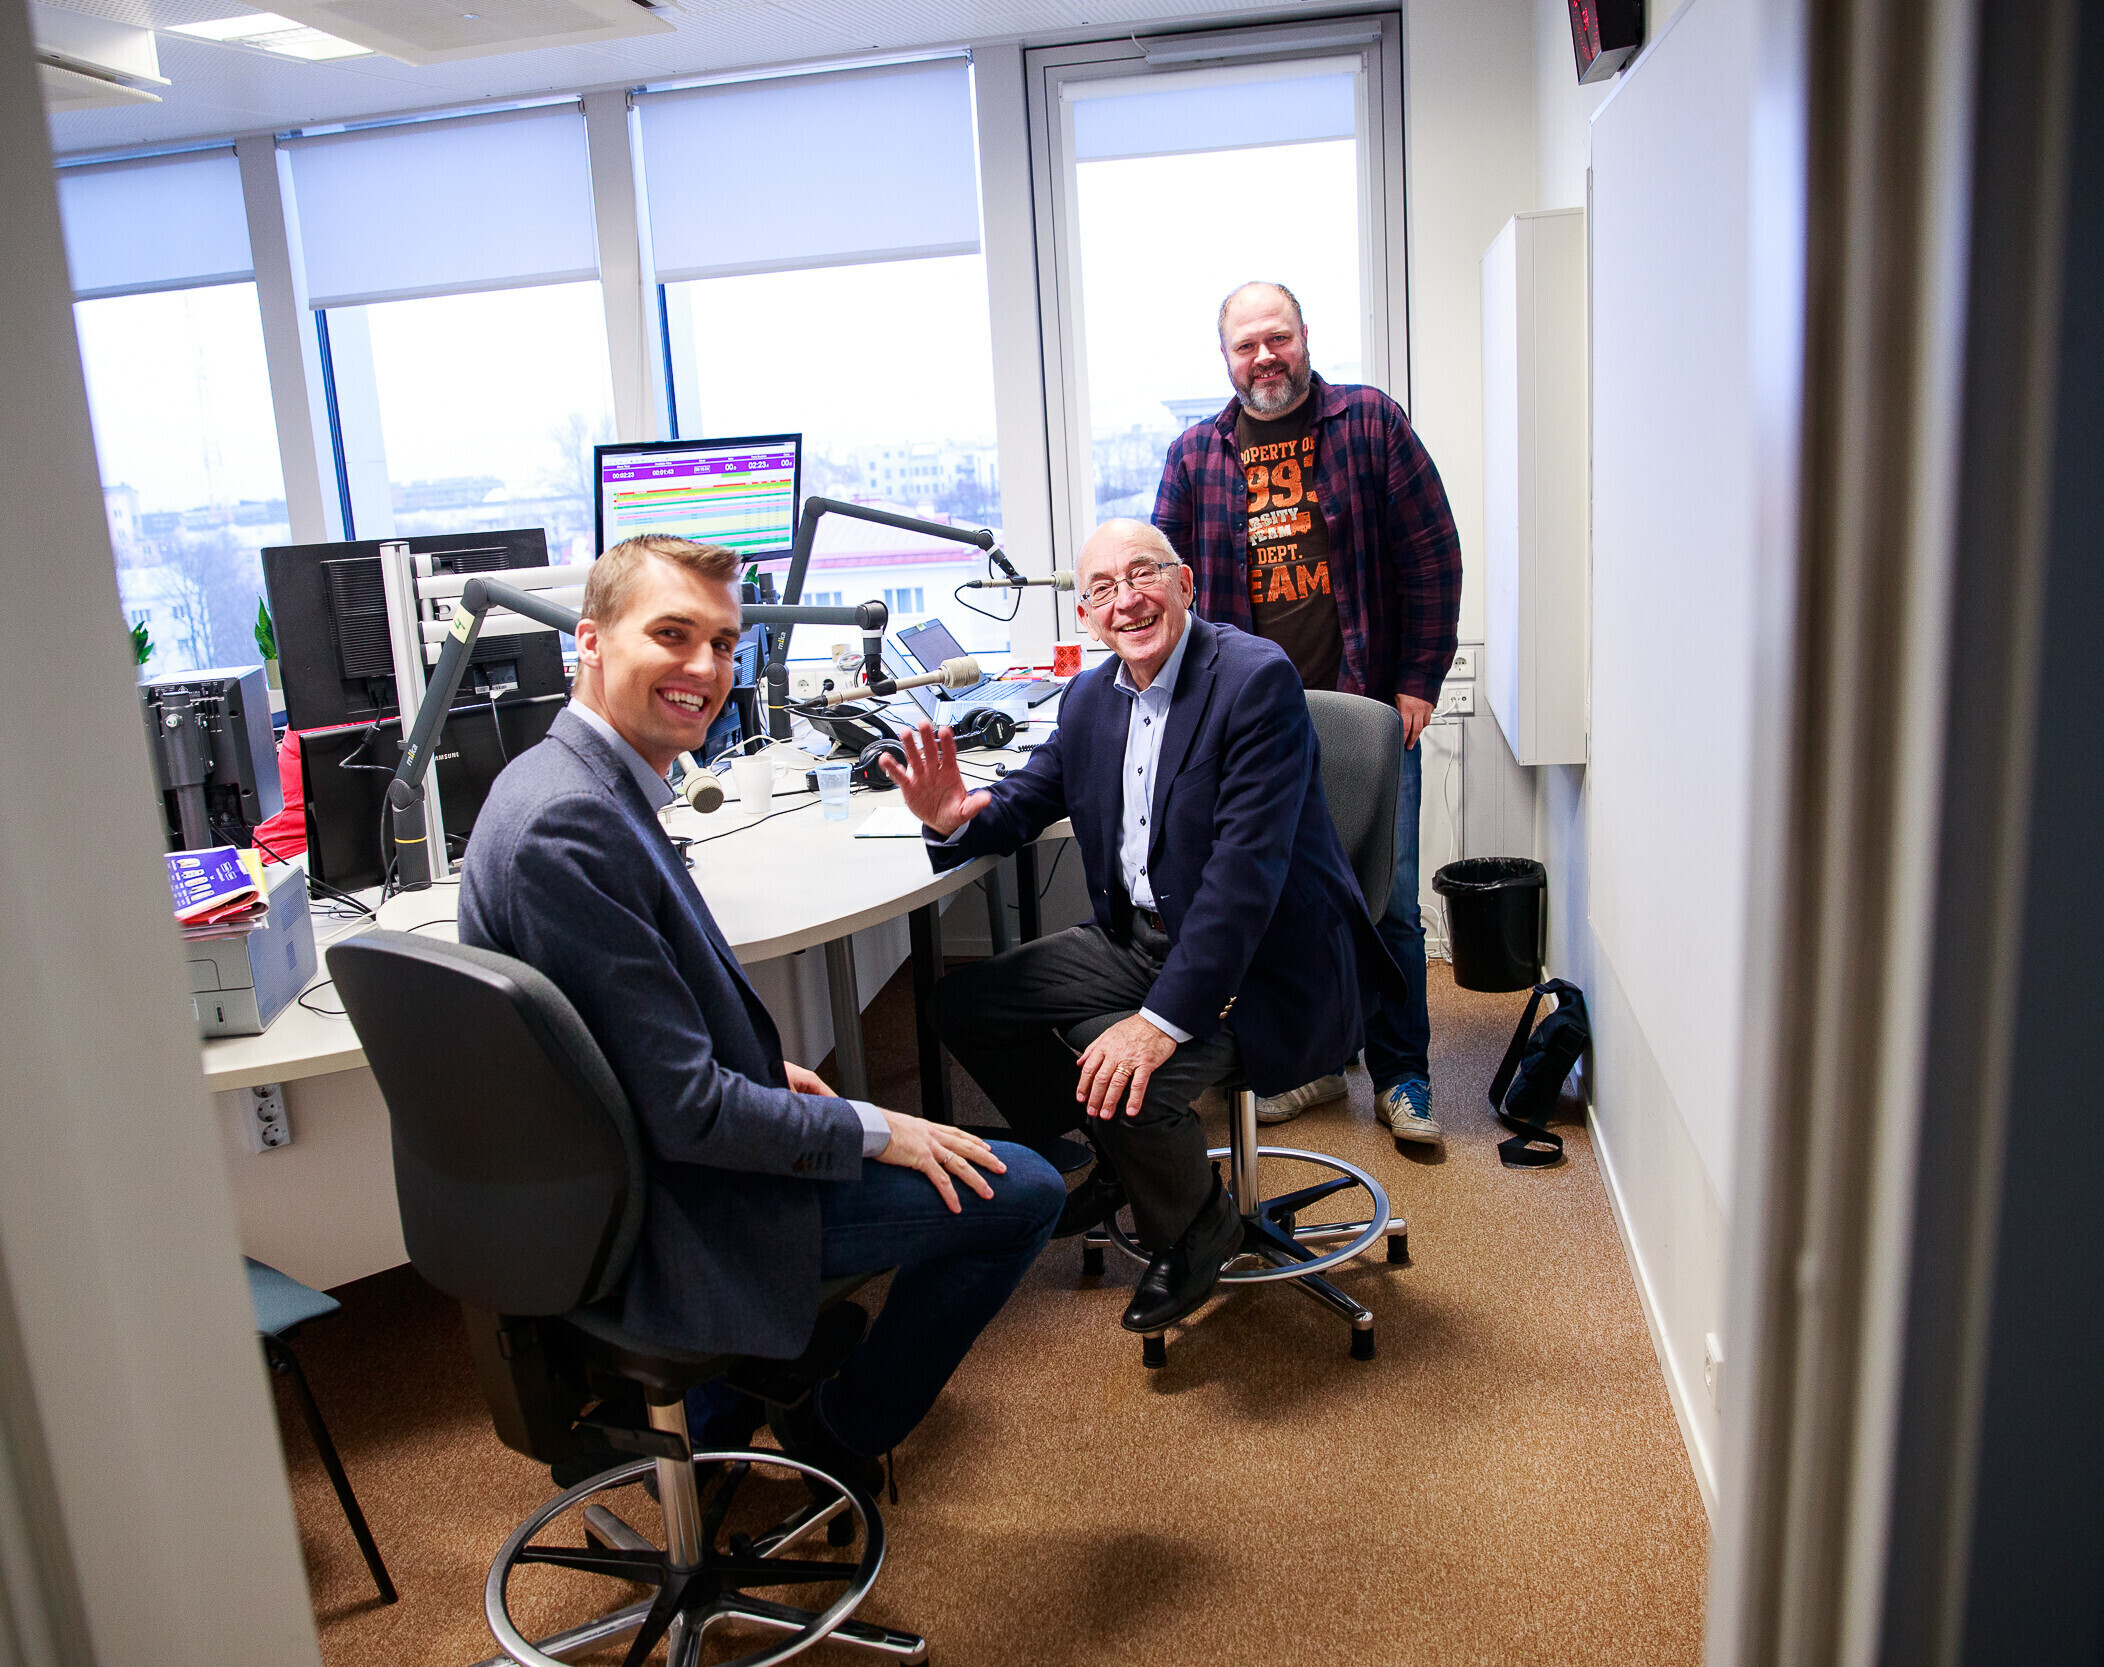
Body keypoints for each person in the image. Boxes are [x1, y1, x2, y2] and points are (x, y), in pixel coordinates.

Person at [458, 533, 1064, 1491]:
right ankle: (840, 1424)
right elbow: (691, 1115)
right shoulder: (570, 827)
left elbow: (615, 1036)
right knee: (1022, 1189)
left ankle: (723, 1404)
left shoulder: (564, 780)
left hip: (628, 1158)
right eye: (672, 635)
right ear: (590, 641)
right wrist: (874, 1126)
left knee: (940, 1153)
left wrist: (762, 1072)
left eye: (722, 643)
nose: (706, 669)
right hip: (675, 1204)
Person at [883, 520, 1398, 1336]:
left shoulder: (1253, 680)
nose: (1126, 600)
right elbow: (1027, 797)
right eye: (1103, 589)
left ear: (1186, 583)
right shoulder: (1091, 698)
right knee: (966, 1007)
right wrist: (953, 817)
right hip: (1141, 940)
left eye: (1144, 574)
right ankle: (1123, 1161)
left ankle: (1198, 1228)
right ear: (1086, 615)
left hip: (1267, 961)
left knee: (1130, 1081)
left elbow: (1242, 883)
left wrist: (1157, 1024)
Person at [1153, 281, 1464, 1152]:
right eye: (1246, 345)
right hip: (1253, 728)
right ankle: (1313, 1061)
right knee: (1275, 902)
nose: (1265, 358)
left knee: (1386, 903)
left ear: (1303, 338)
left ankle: (1402, 1074)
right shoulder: (1195, 456)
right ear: (1226, 358)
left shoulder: (1369, 423)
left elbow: (1433, 557)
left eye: (1278, 338)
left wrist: (1419, 679)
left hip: (1367, 711)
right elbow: (1165, 588)